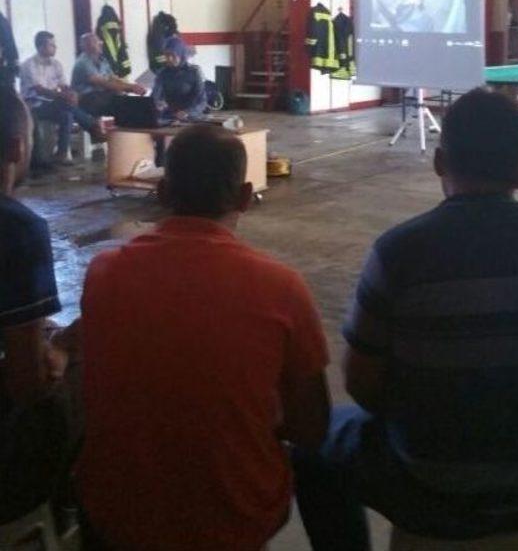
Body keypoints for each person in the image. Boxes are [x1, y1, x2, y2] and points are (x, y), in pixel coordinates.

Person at [294, 88, 518, 551]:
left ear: (439, 162)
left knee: (314, 448)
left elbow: (361, 384)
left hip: (430, 480)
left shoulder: (399, 253)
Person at [77, 125, 330, 550]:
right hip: (233, 520)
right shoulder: (282, 288)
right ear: (245, 197)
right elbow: (312, 427)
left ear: (163, 192)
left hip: (118, 514)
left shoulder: (104, 274)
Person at [0, 86, 70, 524]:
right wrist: (63, 348)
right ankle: (65, 510)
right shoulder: (18, 230)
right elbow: (27, 384)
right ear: (17, 146)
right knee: (77, 386)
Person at [20, 31, 105, 166]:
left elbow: (64, 86)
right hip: (34, 105)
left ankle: (62, 153)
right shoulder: (28, 65)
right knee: (65, 104)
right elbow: (40, 91)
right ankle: (92, 126)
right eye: (51, 45)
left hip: (54, 104)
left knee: (67, 113)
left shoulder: (56, 64)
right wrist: (63, 96)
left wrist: (71, 93)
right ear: (41, 46)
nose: (55, 47)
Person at [71, 33, 145, 118]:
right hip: (86, 97)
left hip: (101, 94)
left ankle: (125, 126)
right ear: (85, 46)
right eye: (95, 41)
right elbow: (103, 83)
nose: (100, 43)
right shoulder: (82, 62)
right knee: (117, 101)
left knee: (123, 97)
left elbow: (113, 79)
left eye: (99, 41)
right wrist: (129, 88)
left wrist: (132, 86)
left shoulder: (103, 60)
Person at [152, 35, 206, 124]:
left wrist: (188, 112)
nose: (169, 59)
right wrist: (158, 104)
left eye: (173, 55)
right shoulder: (162, 73)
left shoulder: (193, 72)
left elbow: (202, 101)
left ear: (181, 54)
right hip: (168, 118)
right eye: (166, 55)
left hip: (190, 118)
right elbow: (155, 96)